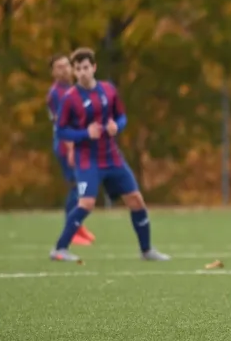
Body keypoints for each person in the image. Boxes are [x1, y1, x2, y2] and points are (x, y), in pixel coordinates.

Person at [50, 48, 170, 262]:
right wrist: (84, 134)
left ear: (94, 67)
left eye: (86, 67)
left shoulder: (108, 90)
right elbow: (61, 131)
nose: (82, 72)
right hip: (87, 159)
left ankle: (146, 250)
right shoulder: (70, 98)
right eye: (78, 69)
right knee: (86, 203)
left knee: (136, 200)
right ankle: (60, 248)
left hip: (111, 156)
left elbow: (121, 117)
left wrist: (118, 126)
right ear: (75, 72)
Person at [47, 54, 95, 246]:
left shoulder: (73, 89)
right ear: (53, 72)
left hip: (78, 144)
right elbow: (62, 125)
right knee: (77, 186)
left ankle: (77, 225)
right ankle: (71, 228)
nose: (65, 69)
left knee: (83, 186)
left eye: (67, 65)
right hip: (66, 146)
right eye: (59, 67)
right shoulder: (56, 94)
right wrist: (71, 150)